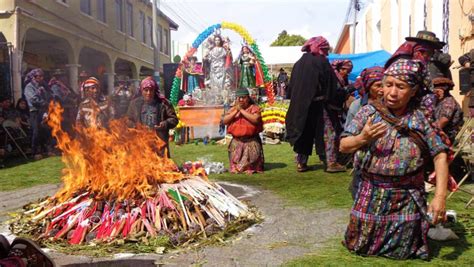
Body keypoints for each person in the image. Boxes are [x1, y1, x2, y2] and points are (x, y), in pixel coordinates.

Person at [340, 58, 450, 259]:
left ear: (414, 90)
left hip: (407, 195)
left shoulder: (421, 118)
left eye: (401, 87)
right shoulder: (368, 112)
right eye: (388, 84)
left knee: (405, 251)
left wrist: (440, 196)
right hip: (371, 192)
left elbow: (440, 154)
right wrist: (362, 138)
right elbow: (343, 145)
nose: (392, 92)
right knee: (360, 246)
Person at [285, 36, 338, 172]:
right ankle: (330, 163)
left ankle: (301, 163)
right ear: (320, 48)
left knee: (303, 132)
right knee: (327, 133)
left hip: (300, 107)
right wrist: (332, 100)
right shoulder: (321, 62)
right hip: (319, 105)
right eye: (325, 49)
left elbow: (291, 88)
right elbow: (330, 84)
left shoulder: (298, 64)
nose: (327, 52)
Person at [344, 66, 385, 199]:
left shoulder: (394, 107)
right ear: (368, 86)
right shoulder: (358, 107)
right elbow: (345, 140)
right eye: (378, 85)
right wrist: (363, 138)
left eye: (385, 85)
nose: (382, 89)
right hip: (364, 166)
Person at [126, 77, 178, 157]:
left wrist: (165, 124)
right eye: (145, 90)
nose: (148, 93)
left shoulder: (164, 103)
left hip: (159, 141)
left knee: (162, 165)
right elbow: (128, 120)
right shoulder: (134, 104)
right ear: (141, 90)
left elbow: (174, 119)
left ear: (155, 90)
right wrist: (135, 126)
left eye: (151, 90)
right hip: (141, 142)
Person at [224, 88, 264, 174]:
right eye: (239, 98)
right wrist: (236, 111)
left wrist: (241, 110)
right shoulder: (233, 109)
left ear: (248, 98)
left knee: (249, 165)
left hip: (251, 141)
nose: (241, 100)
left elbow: (255, 119)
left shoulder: (254, 108)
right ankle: (238, 166)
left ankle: (249, 166)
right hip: (237, 142)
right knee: (236, 165)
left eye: (243, 97)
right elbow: (225, 121)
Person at [24, 68, 52, 160]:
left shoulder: (42, 86)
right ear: (33, 77)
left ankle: (47, 150)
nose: (40, 78)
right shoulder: (29, 87)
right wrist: (44, 103)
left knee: (46, 130)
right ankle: (35, 152)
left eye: (41, 76)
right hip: (34, 111)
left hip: (43, 111)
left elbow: (48, 96)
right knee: (36, 132)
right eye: (37, 76)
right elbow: (33, 99)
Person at [432, 77, 464, 143]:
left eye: (437, 91)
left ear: (442, 91)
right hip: (440, 132)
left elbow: (444, 120)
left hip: (449, 135)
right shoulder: (437, 101)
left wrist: (431, 130)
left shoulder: (448, 101)